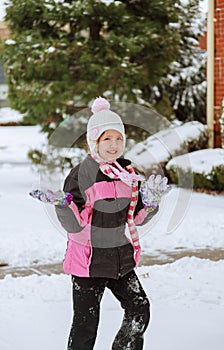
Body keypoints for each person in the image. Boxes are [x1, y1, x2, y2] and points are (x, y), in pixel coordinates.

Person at [30, 97, 170, 350]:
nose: (114, 145)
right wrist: (64, 205)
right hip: (88, 262)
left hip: (120, 258)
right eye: (107, 139)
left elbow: (135, 217)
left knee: (139, 308)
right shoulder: (82, 174)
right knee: (86, 325)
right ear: (93, 142)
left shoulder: (128, 173)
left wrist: (150, 203)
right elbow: (75, 226)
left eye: (119, 139)